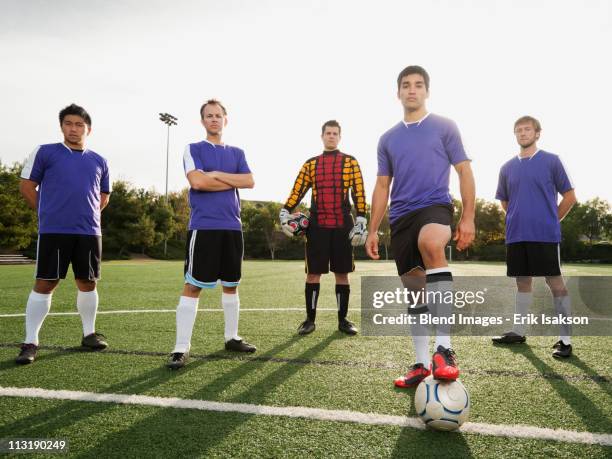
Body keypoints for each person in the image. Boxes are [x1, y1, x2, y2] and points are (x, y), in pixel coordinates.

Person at [365, 65, 476, 388]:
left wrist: (468, 216)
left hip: (435, 206)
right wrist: (373, 229)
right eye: (405, 85)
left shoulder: (445, 127)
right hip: (401, 218)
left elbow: (464, 171)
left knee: (432, 244)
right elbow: (382, 186)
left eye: (418, 85)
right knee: (415, 294)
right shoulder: (387, 139)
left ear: (427, 91)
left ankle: (444, 350)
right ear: (398, 92)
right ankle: (420, 363)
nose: (412, 90)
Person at [16, 104, 111, 364]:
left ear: (88, 129)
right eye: (69, 123)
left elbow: (103, 197)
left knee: (88, 282)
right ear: (62, 126)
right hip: (54, 230)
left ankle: (89, 334)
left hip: (89, 232)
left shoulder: (99, 160)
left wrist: (88, 214)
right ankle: (30, 341)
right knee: (46, 282)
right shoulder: (45, 152)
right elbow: (26, 187)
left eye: (79, 124)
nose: (74, 128)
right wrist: (48, 211)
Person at [167, 99, 256, 370]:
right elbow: (197, 181)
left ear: (225, 120)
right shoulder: (193, 149)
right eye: (209, 116)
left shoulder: (237, 152)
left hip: (232, 227)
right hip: (204, 227)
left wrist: (215, 175)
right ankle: (181, 347)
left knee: (231, 284)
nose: (214, 119)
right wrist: (229, 179)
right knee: (193, 285)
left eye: (218, 115)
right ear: (203, 121)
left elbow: (250, 181)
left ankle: (231, 338)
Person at [492, 116, 576, 358]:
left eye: (527, 129)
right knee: (522, 282)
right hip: (517, 235)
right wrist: (520, 219)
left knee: (555, 282)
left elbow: (569, 196)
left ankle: (565, 340)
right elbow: (505, 202)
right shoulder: (506, 168)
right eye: (518, 130)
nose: (522, 133)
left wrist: (550, 219)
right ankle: (518, 332)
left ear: (537, 133)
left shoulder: (551, 161)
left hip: (545, 235)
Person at [279, 120, 367, 336]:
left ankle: (343, 320)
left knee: (342, 274)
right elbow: (297, 189)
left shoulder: (350, 162)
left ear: (339, 137)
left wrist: (362, 216)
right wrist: (285, 210)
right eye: (328, 133)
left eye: (335, 133)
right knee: (313, 274)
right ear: (322, 136)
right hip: (316, 225)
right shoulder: (311, 164)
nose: (331, 136)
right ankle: (309, 321)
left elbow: (358, 190)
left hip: (342, 225)